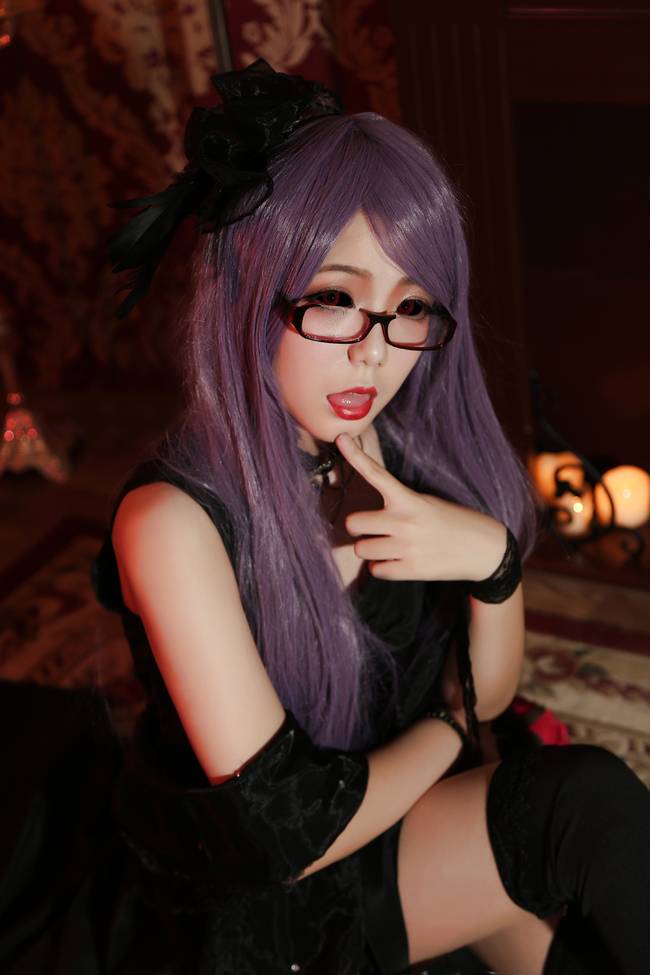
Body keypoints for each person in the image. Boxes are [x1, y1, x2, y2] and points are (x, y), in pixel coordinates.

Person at [5, 59, 647, 975]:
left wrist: (495, 563)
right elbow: (285, 833)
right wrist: (449, 731)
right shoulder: (170, 524)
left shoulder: (394, 453)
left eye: (410, 307)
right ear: (250, 291)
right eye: (337, 299)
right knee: (574, 807)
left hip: (397, 819)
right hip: (264, 897)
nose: (375, 356)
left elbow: (493, 694)